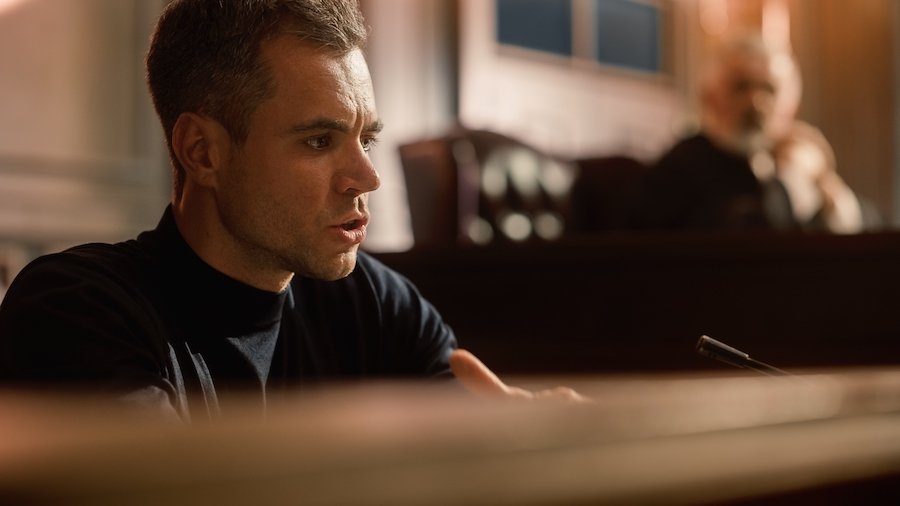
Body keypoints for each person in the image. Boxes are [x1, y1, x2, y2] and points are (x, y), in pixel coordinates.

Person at [0, 0, 578, 422]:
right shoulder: (77, 311)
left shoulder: (376, 305)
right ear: (202, 152)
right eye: (318, 141)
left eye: (366, 140)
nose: (368, 178)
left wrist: (536, 446)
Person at [638, 34, 864, 233]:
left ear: (793, 107)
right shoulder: (683, 165)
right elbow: (749, 234)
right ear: (710, 98)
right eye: (741, 87)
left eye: (769, 89)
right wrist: (793, 181)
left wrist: (832, 194)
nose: (755, 101)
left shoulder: (793, 155)